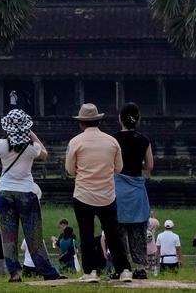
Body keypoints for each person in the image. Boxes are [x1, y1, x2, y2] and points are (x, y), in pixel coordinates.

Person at [65, 102, 132, 282]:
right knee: (113, 233)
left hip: (83, 194)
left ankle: (90, 272)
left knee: (86, 233)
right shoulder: (112, 141)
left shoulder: (75, 142)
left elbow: (70, 170)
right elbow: (119, 168)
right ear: (98, 121)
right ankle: (124, 269)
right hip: (107, 194)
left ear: (81, 123)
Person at [0, 108, 60, 282]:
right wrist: (31, 134)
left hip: (5, 192)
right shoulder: (32, 148)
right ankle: (47, 271)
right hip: (26, 192)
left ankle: (14, 273)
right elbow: (44, 154)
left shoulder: (0, 144)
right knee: (34, 234)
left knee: (8, 236)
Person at [113, 102, 154, 280]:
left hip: (119, 188)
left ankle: (122, 267)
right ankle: (141, 267)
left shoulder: (113, 139)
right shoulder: (143, 140)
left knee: (119, 231)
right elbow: (150, 166)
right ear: (137, 120)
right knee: (137, 230)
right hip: (137, 188)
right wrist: (138, 163)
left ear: (119, 119)